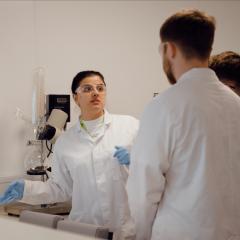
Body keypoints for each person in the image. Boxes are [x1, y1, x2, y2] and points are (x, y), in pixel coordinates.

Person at [127, 9, 240, 240]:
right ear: (208, 49)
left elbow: (144, 191)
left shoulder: (163, 106)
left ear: (170, 49)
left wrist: (141, 235)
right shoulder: (235, 104)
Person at [0, 70, 139, 239]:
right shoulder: (66, 142)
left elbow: (159, 166)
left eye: (100, 88)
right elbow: (60, 189)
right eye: (87, 89)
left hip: (126, 230)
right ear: (75, 97)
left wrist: (139, 159)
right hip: (85, 230)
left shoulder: (130, 126)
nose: (95, 93)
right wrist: (27, 189)